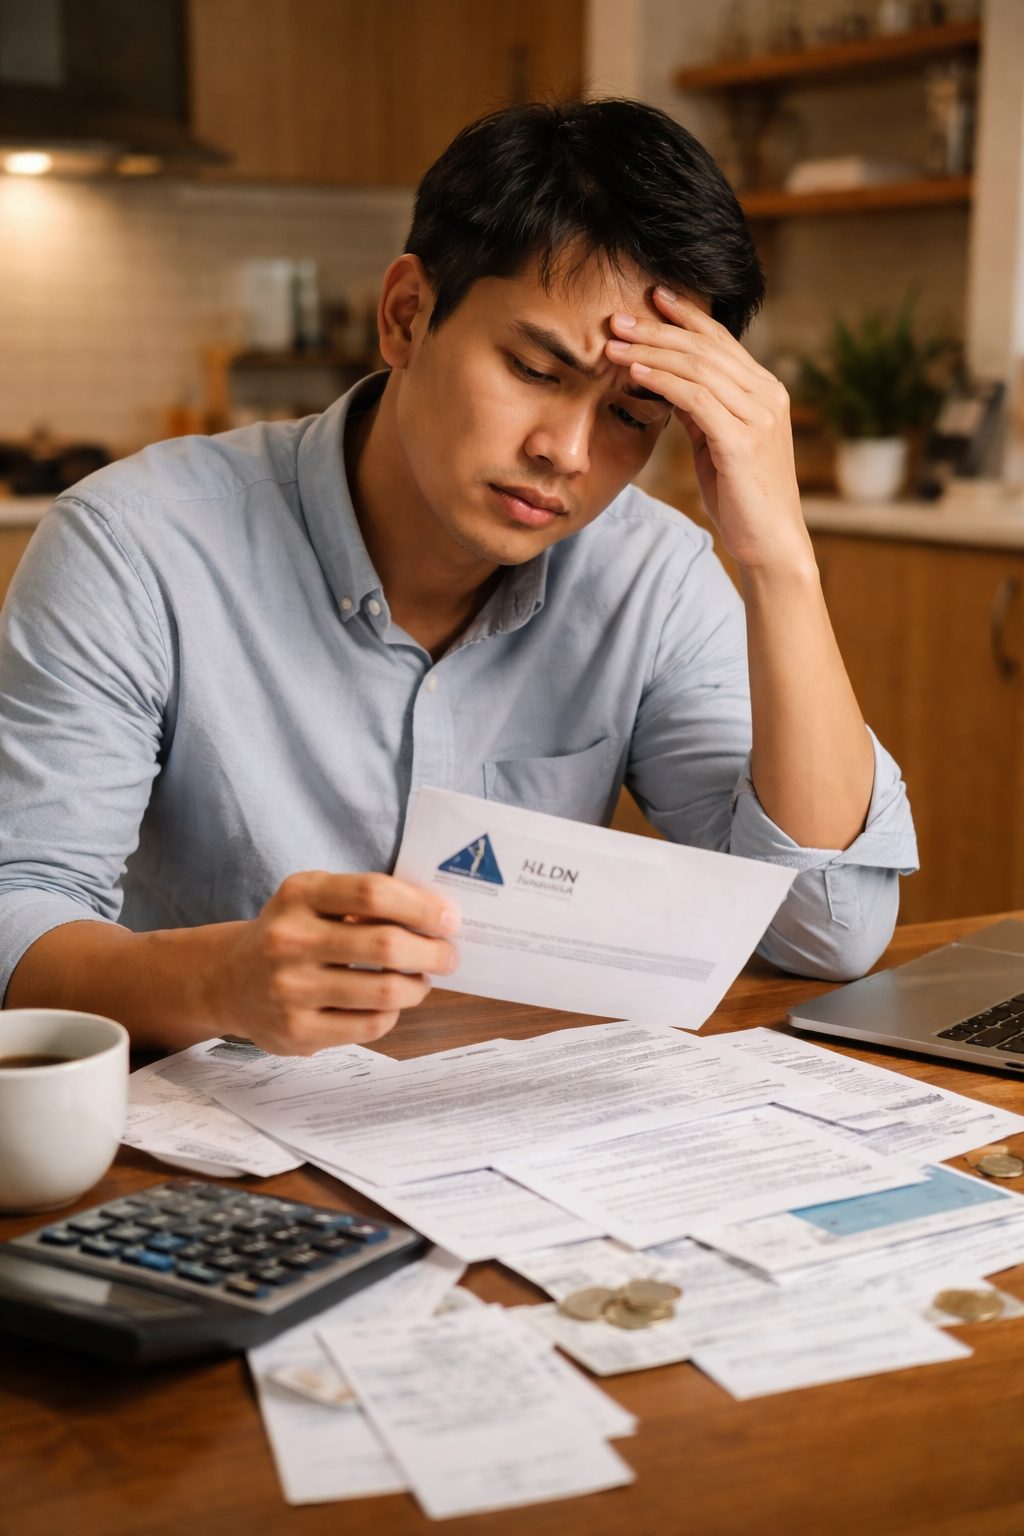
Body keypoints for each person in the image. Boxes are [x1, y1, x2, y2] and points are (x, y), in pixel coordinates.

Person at [0, 98, 917, 1055]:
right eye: (533, 367)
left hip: (506, 1142)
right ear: (407, 316)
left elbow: (829, 932)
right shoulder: (135, 546)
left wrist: (782, 563)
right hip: (199, 1145)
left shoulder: (653, 577)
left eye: (632, 417)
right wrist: (221, 982)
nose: (564, 452)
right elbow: (16, 922)